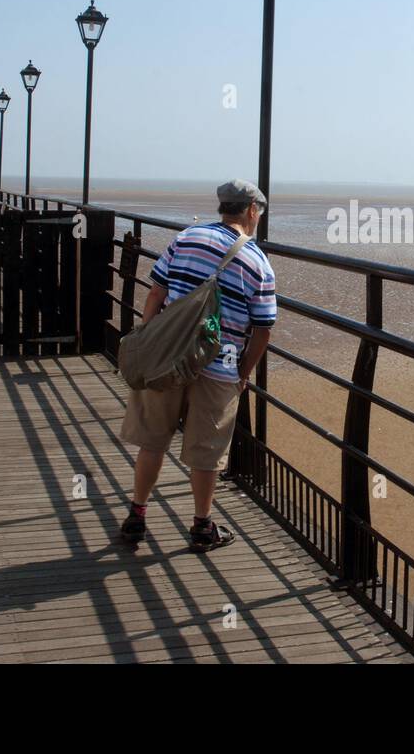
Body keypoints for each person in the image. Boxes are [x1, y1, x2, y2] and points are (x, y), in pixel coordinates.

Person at [118, 180, 276, 552]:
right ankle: (202, 526)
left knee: (152, 441)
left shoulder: (186, 238)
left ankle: (136, 517)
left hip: (168, 358)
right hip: (219, 366)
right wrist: (242, 374)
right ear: (252, 210)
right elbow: (263, 330)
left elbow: (156, 292)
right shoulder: (258, 261)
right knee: (206, 452)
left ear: (224, 207)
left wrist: (151, 341)